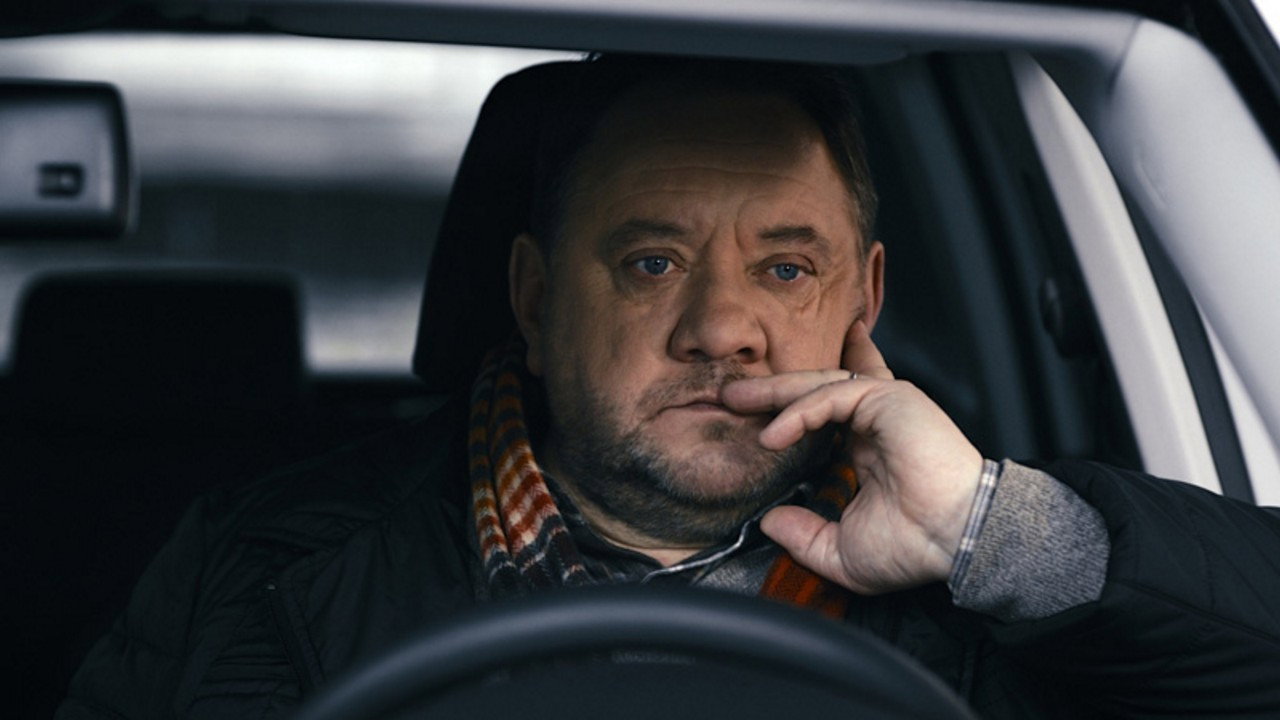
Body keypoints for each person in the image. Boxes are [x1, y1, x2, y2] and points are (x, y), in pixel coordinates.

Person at [58, 55, 1280, 719]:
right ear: (534, 300)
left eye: (784, 267)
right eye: (651, 262)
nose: (722, 331)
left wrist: (983, 530)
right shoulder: (251, 562)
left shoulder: (1001, 577)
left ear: (861, 300)